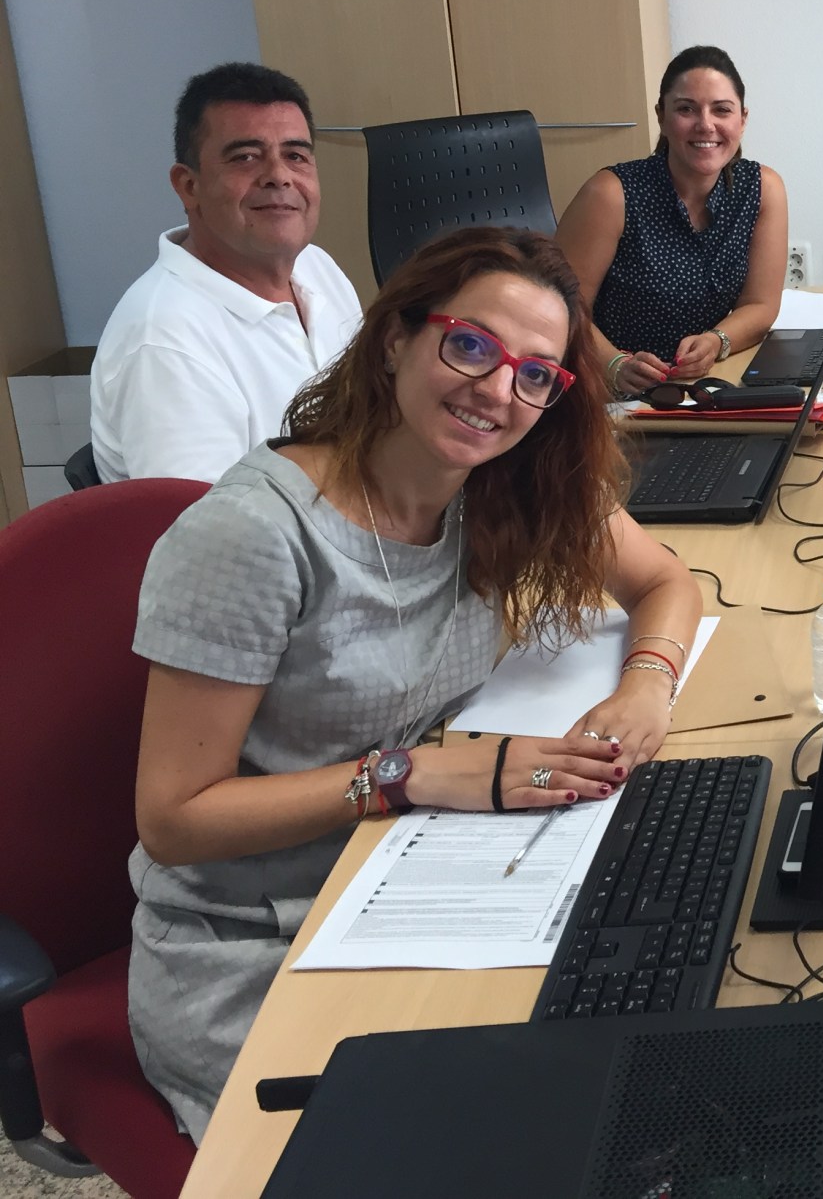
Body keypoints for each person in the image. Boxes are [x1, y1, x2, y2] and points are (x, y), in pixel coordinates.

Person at [126, 227, 703, 1140]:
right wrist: (408, 776)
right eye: (470, 345)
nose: (497, 391)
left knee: (633, 1055)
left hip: (413, 877)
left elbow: (667, 580)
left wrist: (645, 686)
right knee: (497, 1138)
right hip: (256, 942)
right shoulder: (253, 535)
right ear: (395, 338)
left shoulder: (502, 481)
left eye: (535, 374)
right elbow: (174, 818)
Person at [90, 62, 363, 482]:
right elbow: (208, 522)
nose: (279, 176)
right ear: (188, 186)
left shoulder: (316, 265)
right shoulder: (164, 342)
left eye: (295, 155)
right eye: (245, 157)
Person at [555, 45, 789, 397]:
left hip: (701, 385)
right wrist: (614, 365)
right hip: (610, 391)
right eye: (686, 109)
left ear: (742, 120)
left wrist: (717, 340)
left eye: (721, 110)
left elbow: (761, 304)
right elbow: (559, 306)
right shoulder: (611, 194)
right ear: (662, 117)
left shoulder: (762, 189)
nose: (705, 124)